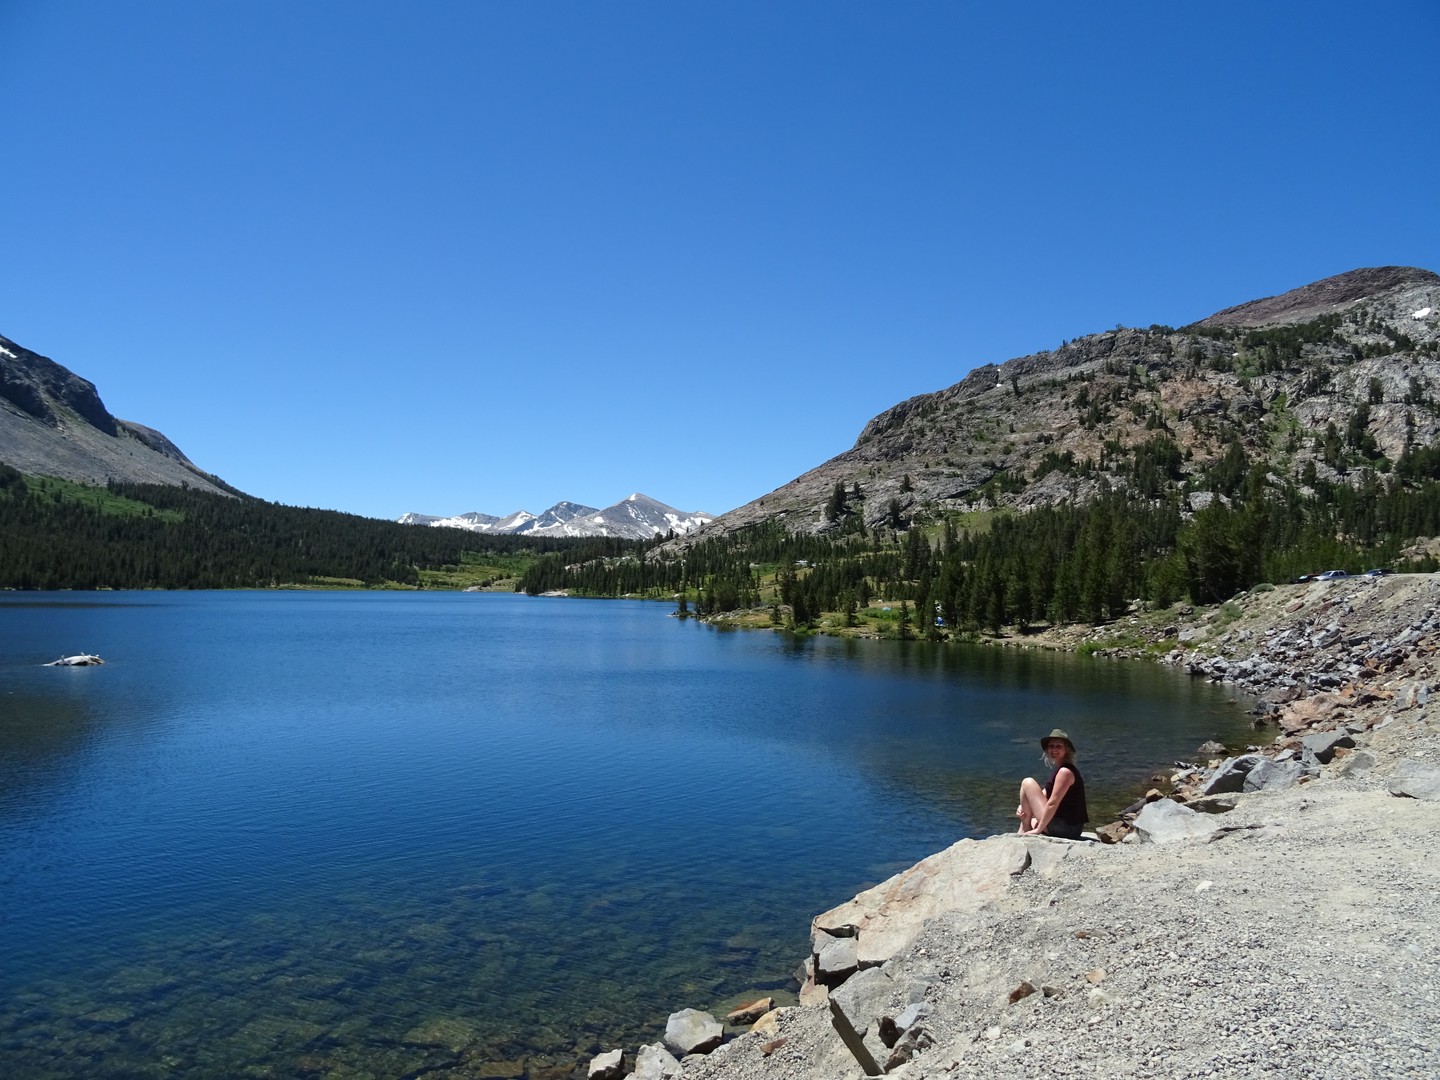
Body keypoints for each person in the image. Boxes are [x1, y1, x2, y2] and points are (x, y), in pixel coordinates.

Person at [1016, 728, 1088, 839]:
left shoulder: (1065, 772)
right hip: (1070, 828)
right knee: (1029, 818)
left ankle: (1024, 831)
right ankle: (1025, 829)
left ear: (1066, 750)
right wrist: (1022, 807)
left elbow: (1052, 803)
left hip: (1066, 828)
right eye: (1051, 746)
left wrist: (1039, 829)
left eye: (1058, 746)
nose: (1054, 749)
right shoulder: (1060, 769)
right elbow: (1043, 795)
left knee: (1028, 782)